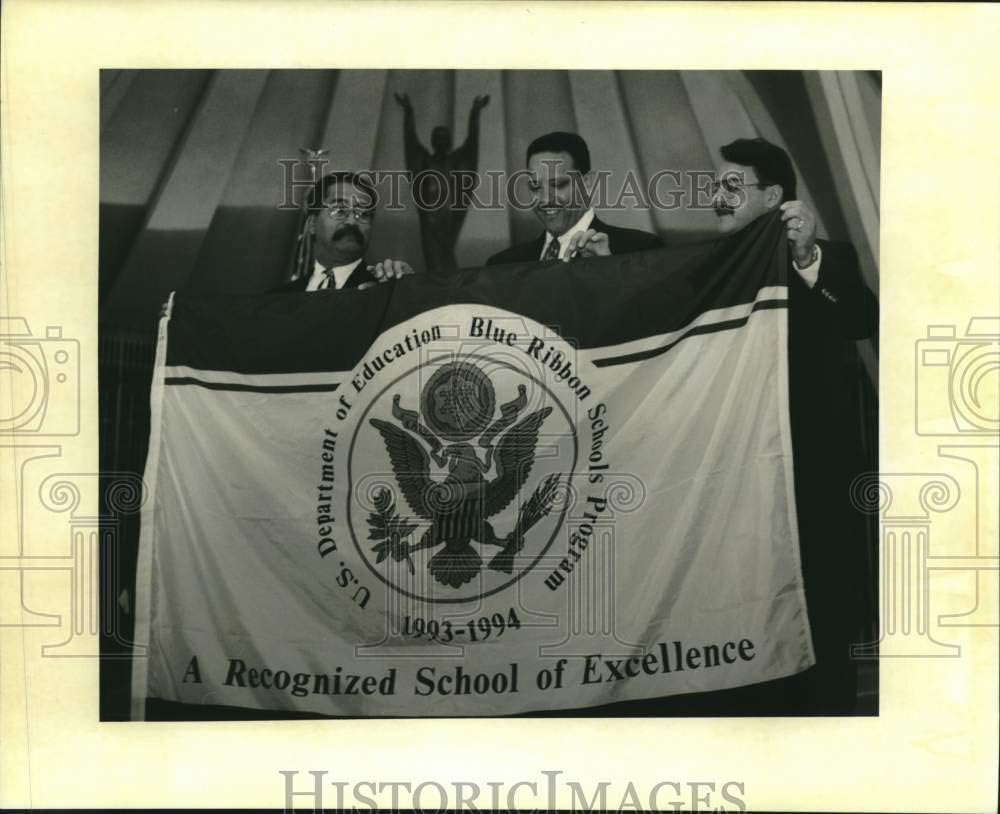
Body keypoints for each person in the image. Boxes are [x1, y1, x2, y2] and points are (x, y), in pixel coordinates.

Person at [486, 131, 663, 266]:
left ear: (587, 183)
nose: (545, 199)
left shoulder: (642, 250)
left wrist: (609, 270)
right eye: (535, 186)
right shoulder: (501, 265)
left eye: (558, 184)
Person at [394, 92, 490, 276]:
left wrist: (475, 112)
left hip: (449, 216)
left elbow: (472, 144)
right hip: (429, 217)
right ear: (433, 141)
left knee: (446, 255)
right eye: (438, 137)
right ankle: (440, 289)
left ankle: (447, 288)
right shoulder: (425, 161)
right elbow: (411, 142)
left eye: (445, 137)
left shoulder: (455, 161)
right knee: (434, 259)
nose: (441, 140)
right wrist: (408, 112)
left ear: (449, 142)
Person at [283, 171, 415, 292]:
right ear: (312, 224)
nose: (352, 222)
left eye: (363, 213)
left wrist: (410, 290)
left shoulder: (389, 288)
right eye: (339, 210)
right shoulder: (280, 298)